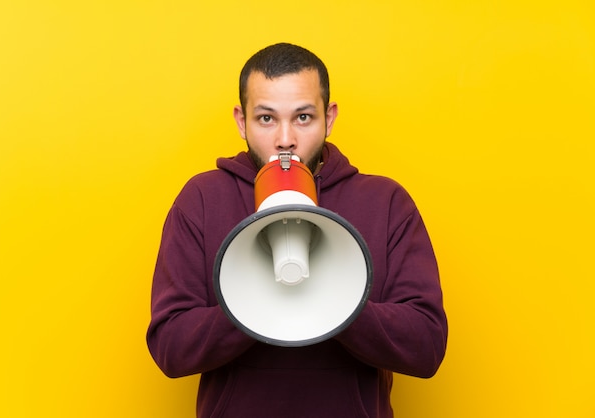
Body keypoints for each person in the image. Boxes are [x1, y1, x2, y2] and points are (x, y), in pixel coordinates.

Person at [146, 42, 448, 417]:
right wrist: (254, 301)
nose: (285, 139)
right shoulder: (202, 199)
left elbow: (427, 347)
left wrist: (334, 301)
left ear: (329, 117)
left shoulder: (385, 201)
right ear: (242, 121)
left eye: (303, 117)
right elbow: (171, 348)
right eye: (266, 119)